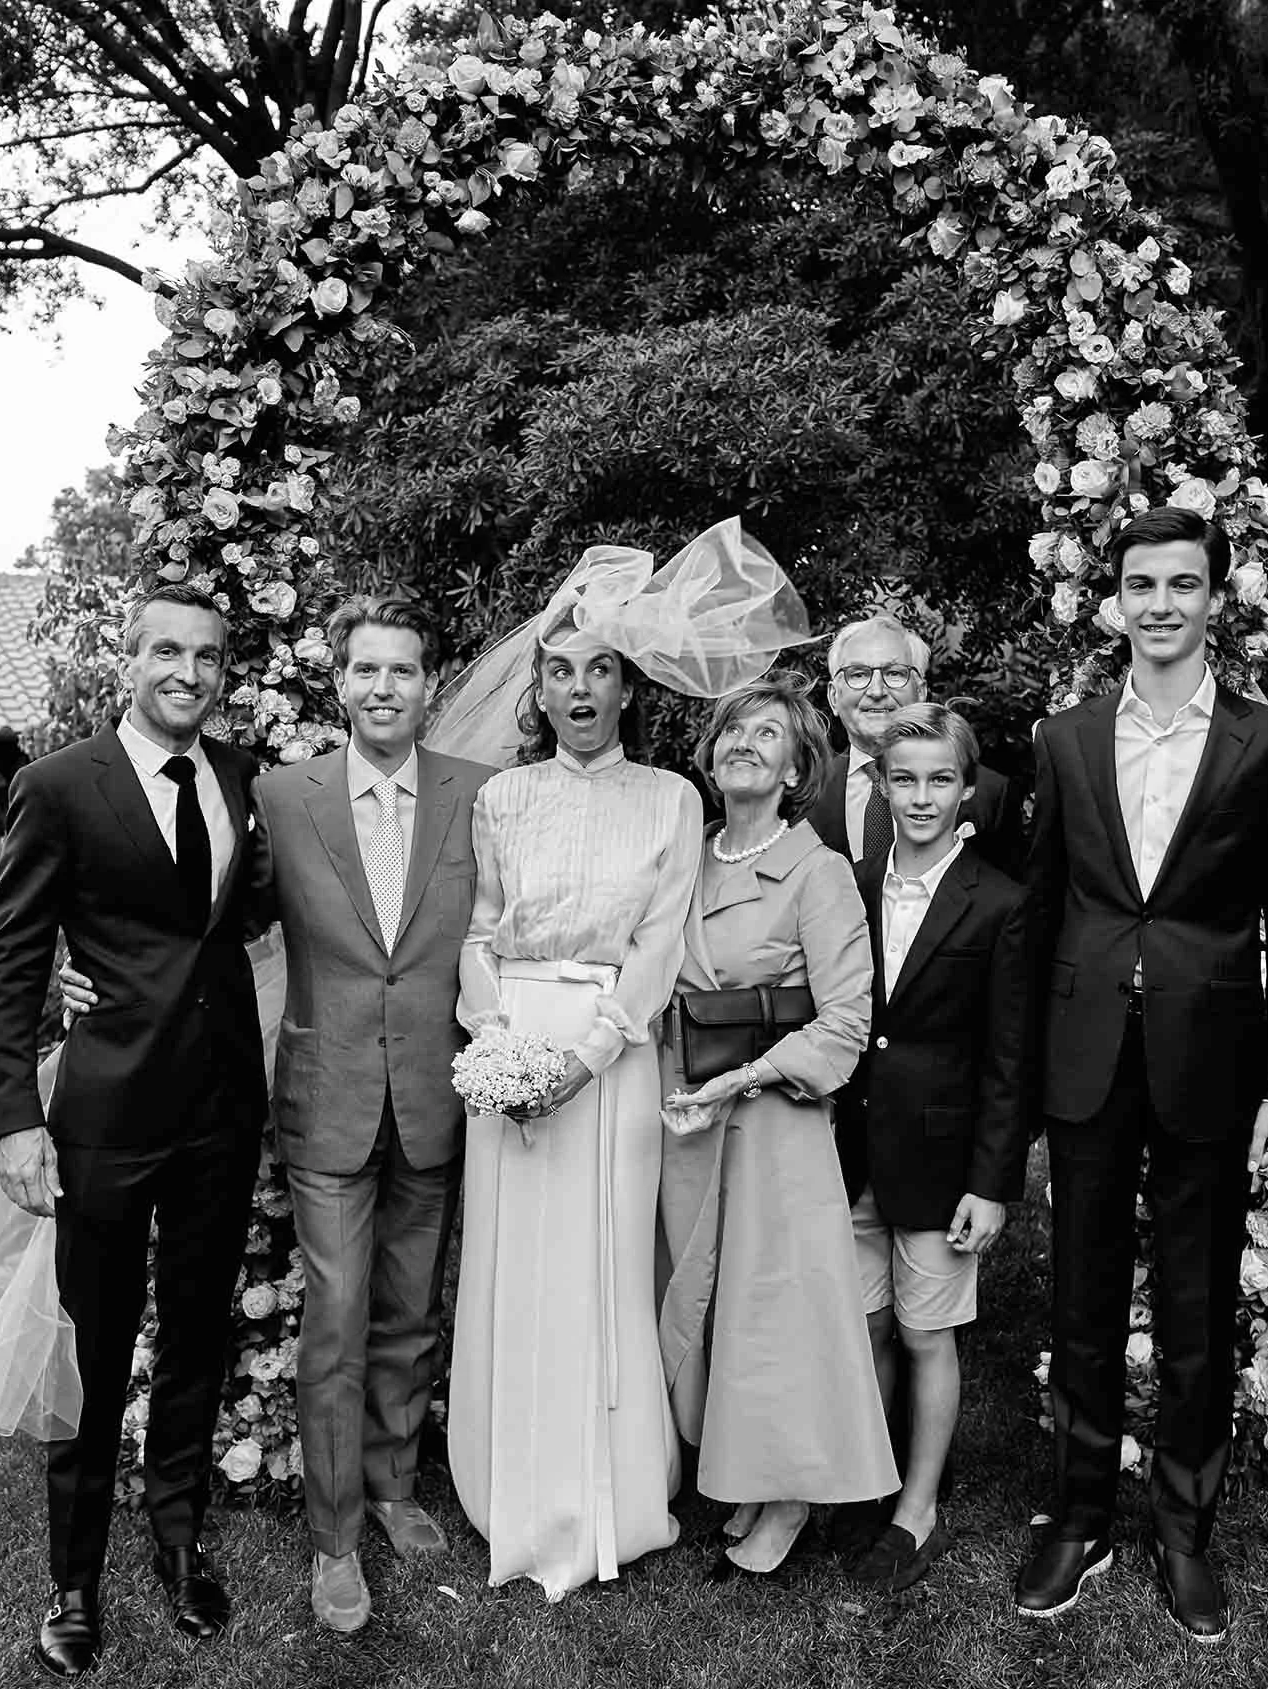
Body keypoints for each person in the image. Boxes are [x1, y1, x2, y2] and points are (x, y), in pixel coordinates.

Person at [60, 596, 491, 1635]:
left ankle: (391, 1486)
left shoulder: (482, 797)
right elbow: (200, 912)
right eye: (364, 672)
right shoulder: (281, 796)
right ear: (336, 683)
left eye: (402, 671)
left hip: (436, 1098)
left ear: (428, 684)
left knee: (408, 1314)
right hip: (327, 1099)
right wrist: (79, 969)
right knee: (336, 1325)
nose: (382, 689)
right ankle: (335, 1538)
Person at [442, 518, 814, 1600]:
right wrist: (499, 1046)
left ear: (627, 686)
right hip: (508, 1050)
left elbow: (658, 945)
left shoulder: (671, 799)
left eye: (597, 670)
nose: (576, 692)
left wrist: (586, 1058)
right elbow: (477, 930)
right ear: (540, 688)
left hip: (613, 1057)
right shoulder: (501, 799)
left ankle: (608, 1483)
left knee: (603, 1265)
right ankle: (507, 1476)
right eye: (557, 672)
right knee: (515, 1265)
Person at [1017, 507, 1268, 1643]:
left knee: (1197, 1311)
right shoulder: (1065, 738)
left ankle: (1184, 1534)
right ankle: (1079, 1519)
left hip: (1212, 1058)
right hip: (1087, 1054)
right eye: (1139, 584)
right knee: (1082, 1303)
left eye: (1180, 585)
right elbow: (1045, 907)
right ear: (1111, 601)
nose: (1158, 604)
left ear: (1213, 600)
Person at [0, 581, 273, 1672]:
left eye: (205, 656)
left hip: (220, 1112)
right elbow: (12, 956)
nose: (185, 672)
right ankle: (73, 1577)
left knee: (197, 1334)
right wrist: (16, 1118)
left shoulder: (243, 780)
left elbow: (242, 919)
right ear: (128, 661)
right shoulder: (57, 788)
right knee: (92, 1353)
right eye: (165, 652)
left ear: (221, 673)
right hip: (103, 1117)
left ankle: (181, 1543)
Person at [654, 672, 895, 1581]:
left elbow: (844, 1023)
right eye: (731, 733)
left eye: (768, 735)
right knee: (708, 1298)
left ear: (800, 767)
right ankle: (742, 1472)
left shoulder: (818, 870)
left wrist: (745, 1078)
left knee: (778, 1309)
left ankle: (792, 1490)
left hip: (777, 1121)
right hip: (690, 1120)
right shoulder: (685, 857)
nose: (745, 745)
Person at [829, 702, 1028, 1593]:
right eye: (902, 778)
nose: (921, 795)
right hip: (851, 1146)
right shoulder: (849, 878)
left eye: (939, 778)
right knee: (865, 1320)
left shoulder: (1000, 901)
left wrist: (991, 1181)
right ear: (877, 783)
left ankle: (919, 1507)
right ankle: (864, 1480)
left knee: (924, 1329)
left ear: (967, 787)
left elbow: (1009, 1060)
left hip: (943, 1158)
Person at [808, 614, 1018, 874]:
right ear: (833, 697)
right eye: (858, 674)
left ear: (921, 692)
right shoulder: (803, 795)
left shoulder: (988, 794)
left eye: (894, 674)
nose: (876, 691)